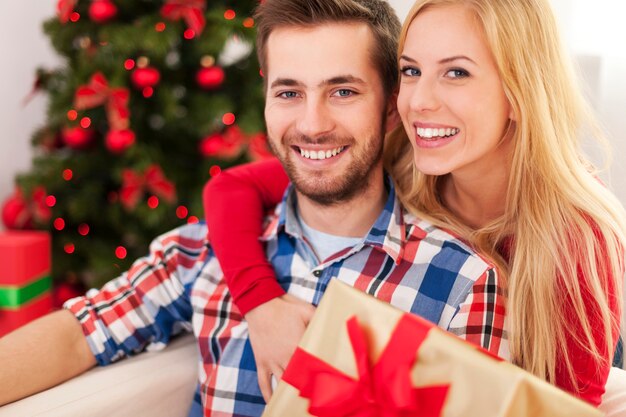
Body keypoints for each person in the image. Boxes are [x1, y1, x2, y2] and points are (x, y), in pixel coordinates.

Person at [0, 0, 508, 415]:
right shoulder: (199, 253)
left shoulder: (462, 281)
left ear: (391, 106)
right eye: (289, 92)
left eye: (343, 91)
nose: (312, 124)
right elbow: (78, 335)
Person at [203, 0, 626, 407]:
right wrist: (260, 304)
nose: (418, 101)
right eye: (411, 71)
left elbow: (566, 406)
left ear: (518, 91)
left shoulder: (579, 239)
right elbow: (230, 189)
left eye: (456, 72)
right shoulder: (403, 156)